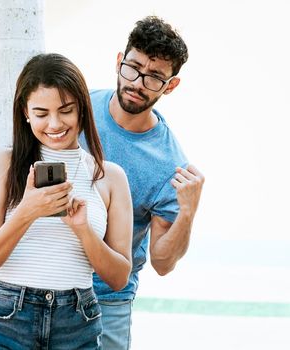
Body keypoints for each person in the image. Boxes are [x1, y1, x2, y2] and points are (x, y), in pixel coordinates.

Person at [0, 53, 133, 349]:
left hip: (76, 321)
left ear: (82, 107)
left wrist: (82, 229)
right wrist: (27, 212)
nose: (54, 124)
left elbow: (119, 277)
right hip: (5, 318)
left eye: (65, 110)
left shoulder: (110, 177)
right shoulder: (2, 164)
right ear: (25, 112)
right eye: (41, 113)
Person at [81, 16, 205, 349]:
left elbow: (163, 263)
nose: (137, 83)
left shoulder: (169, 164)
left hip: (107, 300)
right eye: (133, 68)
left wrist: (188, 212)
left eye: (154, 78)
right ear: (119, 61)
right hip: (48, 283)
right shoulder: (76, 109)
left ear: (171, 85)